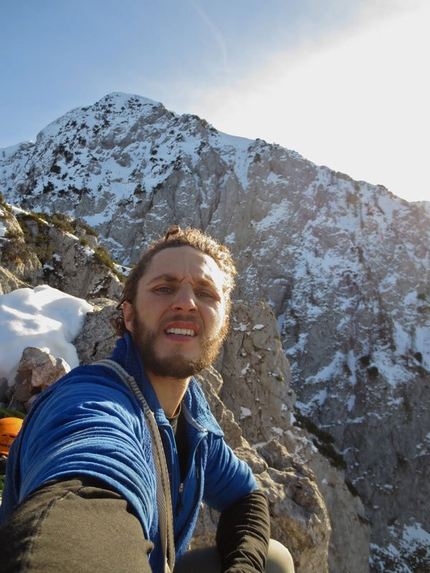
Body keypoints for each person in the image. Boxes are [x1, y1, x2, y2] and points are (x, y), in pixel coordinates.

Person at [0, 225, 295, 573]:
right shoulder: (93, 401)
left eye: (205, 293)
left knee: (273, 559)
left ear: (224, 325)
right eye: (164, 288)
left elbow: (246, 496)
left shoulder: (193, 418)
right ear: (128, 315)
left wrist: (243, 566)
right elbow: (86, 482)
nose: (186, 302)